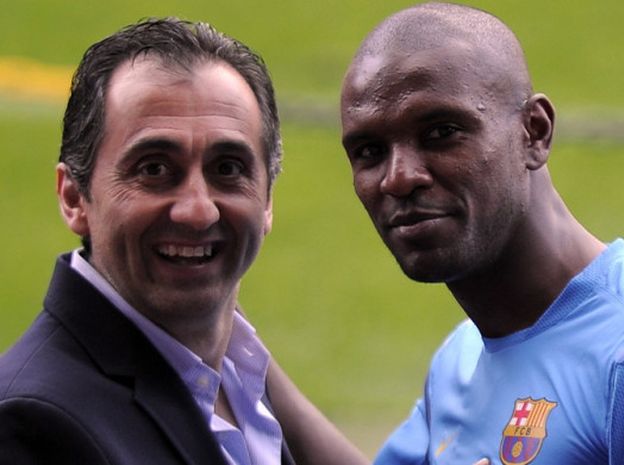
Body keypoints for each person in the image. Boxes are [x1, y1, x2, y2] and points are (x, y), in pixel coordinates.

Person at [269, 2, 624, 465]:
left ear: (534, 132)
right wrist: (232, 341)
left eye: (441, 132)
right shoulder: (460, 358)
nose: (398, 177)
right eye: (370, 151)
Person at [0, 18, 365, 465]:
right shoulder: (30, 427)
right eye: (154, 169)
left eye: (228, 169)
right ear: (74, 197)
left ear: (268, 198)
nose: (198, 210)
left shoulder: (241, 376)